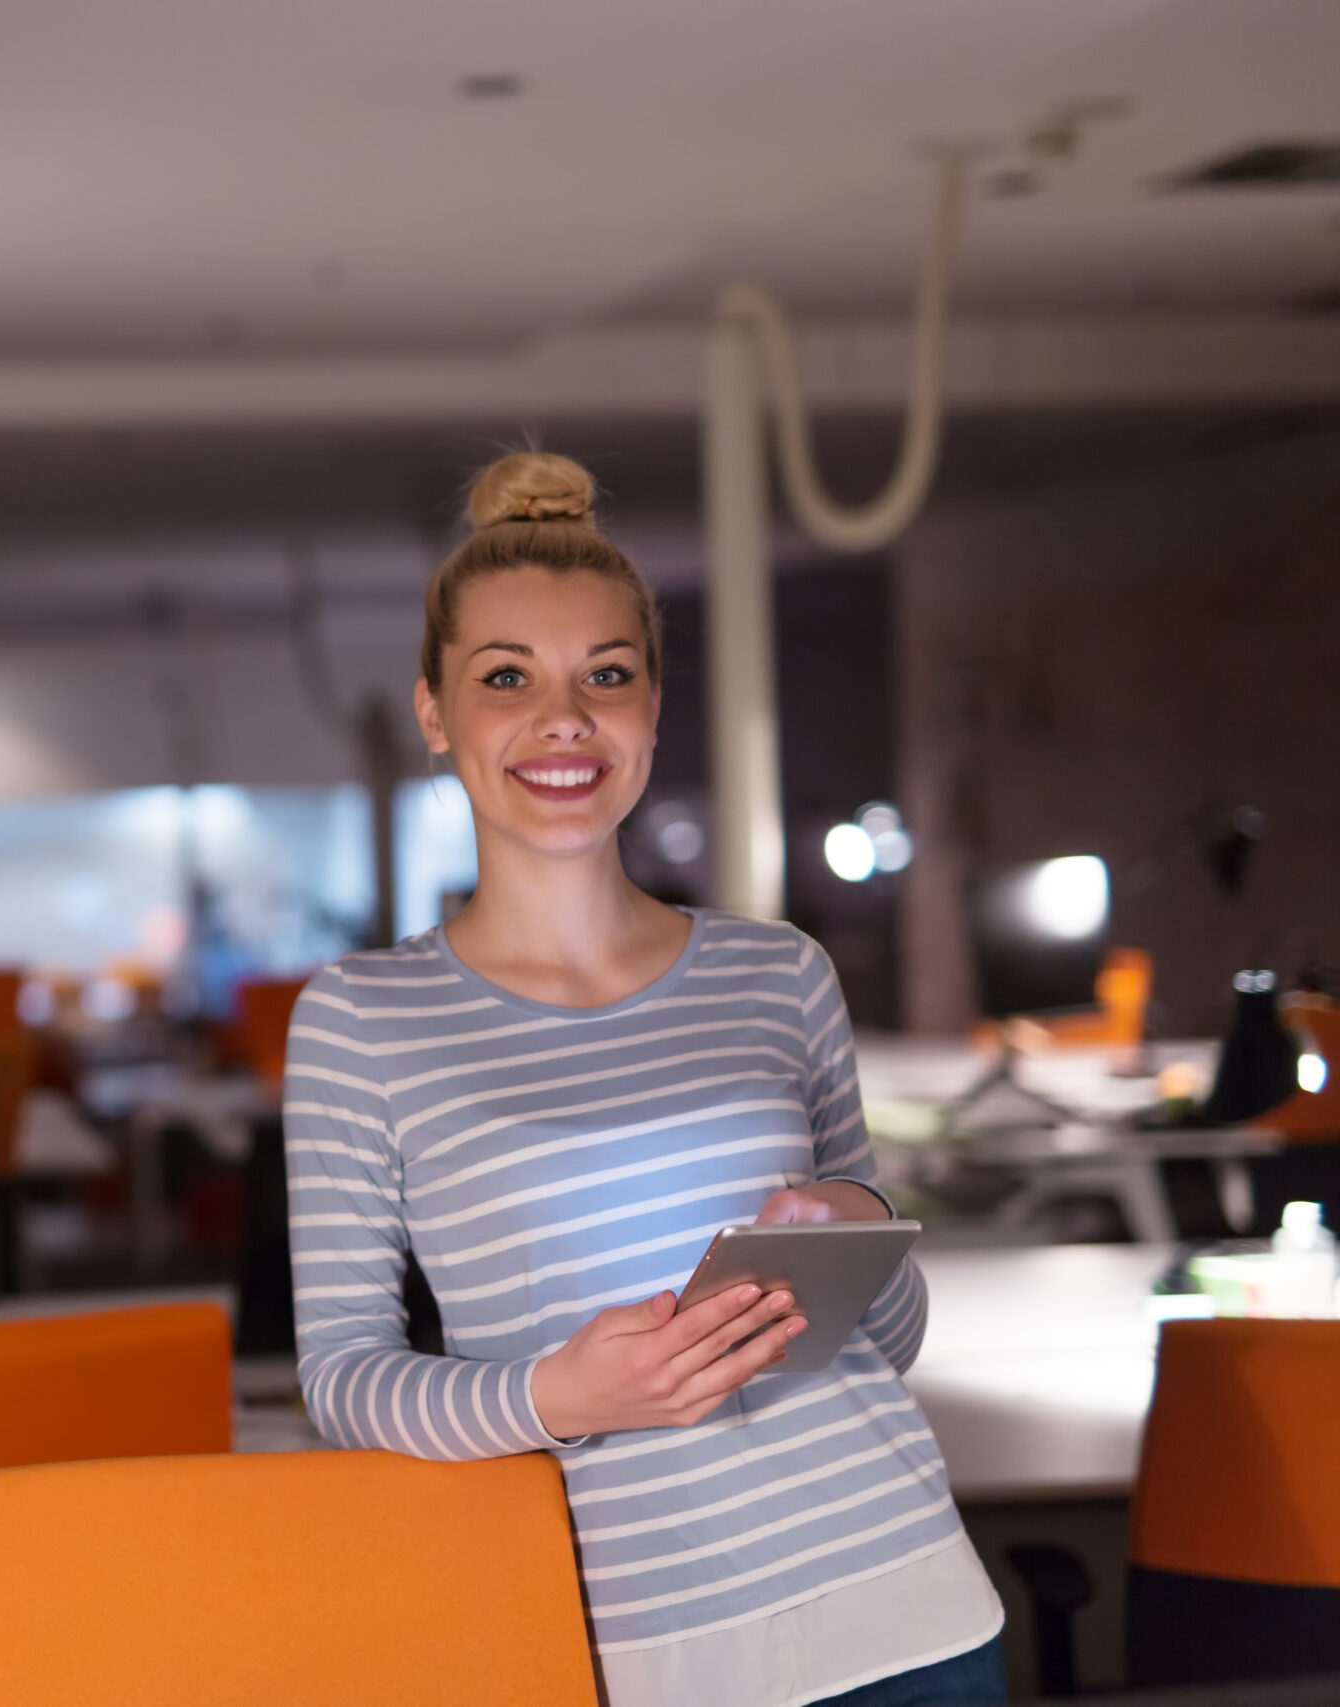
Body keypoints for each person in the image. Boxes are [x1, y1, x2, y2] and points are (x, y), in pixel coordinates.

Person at [284, 452, 1006, 1707]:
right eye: (505, 678)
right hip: (639, 1648)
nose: (563, 721)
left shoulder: (776, 971)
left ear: (652, 711)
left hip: (909, 1609)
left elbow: (887, 1341)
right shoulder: (362, 1020)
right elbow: (344, 1380)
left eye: (604, 678)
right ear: (435, 714)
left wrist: (866, 1230)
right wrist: (556, 1395)